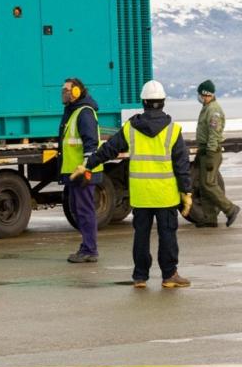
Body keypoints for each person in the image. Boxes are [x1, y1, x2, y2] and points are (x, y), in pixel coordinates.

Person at [71, 80, 192, 288]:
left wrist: (88, 165)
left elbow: (108, 150)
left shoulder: (130, 129)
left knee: (141, 236)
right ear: (162, 102)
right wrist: (186, 193)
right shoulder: (173, 131)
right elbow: (181, 166)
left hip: (141, 195)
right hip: (165, 196)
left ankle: (140, 277)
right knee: (167, 235)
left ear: (143, 102)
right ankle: (169, 275)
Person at [58, 77, 103, 263]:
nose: (63, 93)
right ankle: (87, 247)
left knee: (85, 211)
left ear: (76, 92)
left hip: (83, 171)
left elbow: (91, 143)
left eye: (66, 90)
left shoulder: (84, 113)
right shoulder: (74, 111)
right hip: (74, 171)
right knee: (80, 210)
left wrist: (86, 168)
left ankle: (90, 250)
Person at [194, 80, 240, 228]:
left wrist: (209, 153)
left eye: (200, 94)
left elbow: (214, 134)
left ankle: (230, 209)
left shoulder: (214, 111)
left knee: (209, 184)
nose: (199, 97)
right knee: (203, 184)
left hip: (211, 152)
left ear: (205, 94)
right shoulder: (207, 107)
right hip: (205, 151)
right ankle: (210, 218)